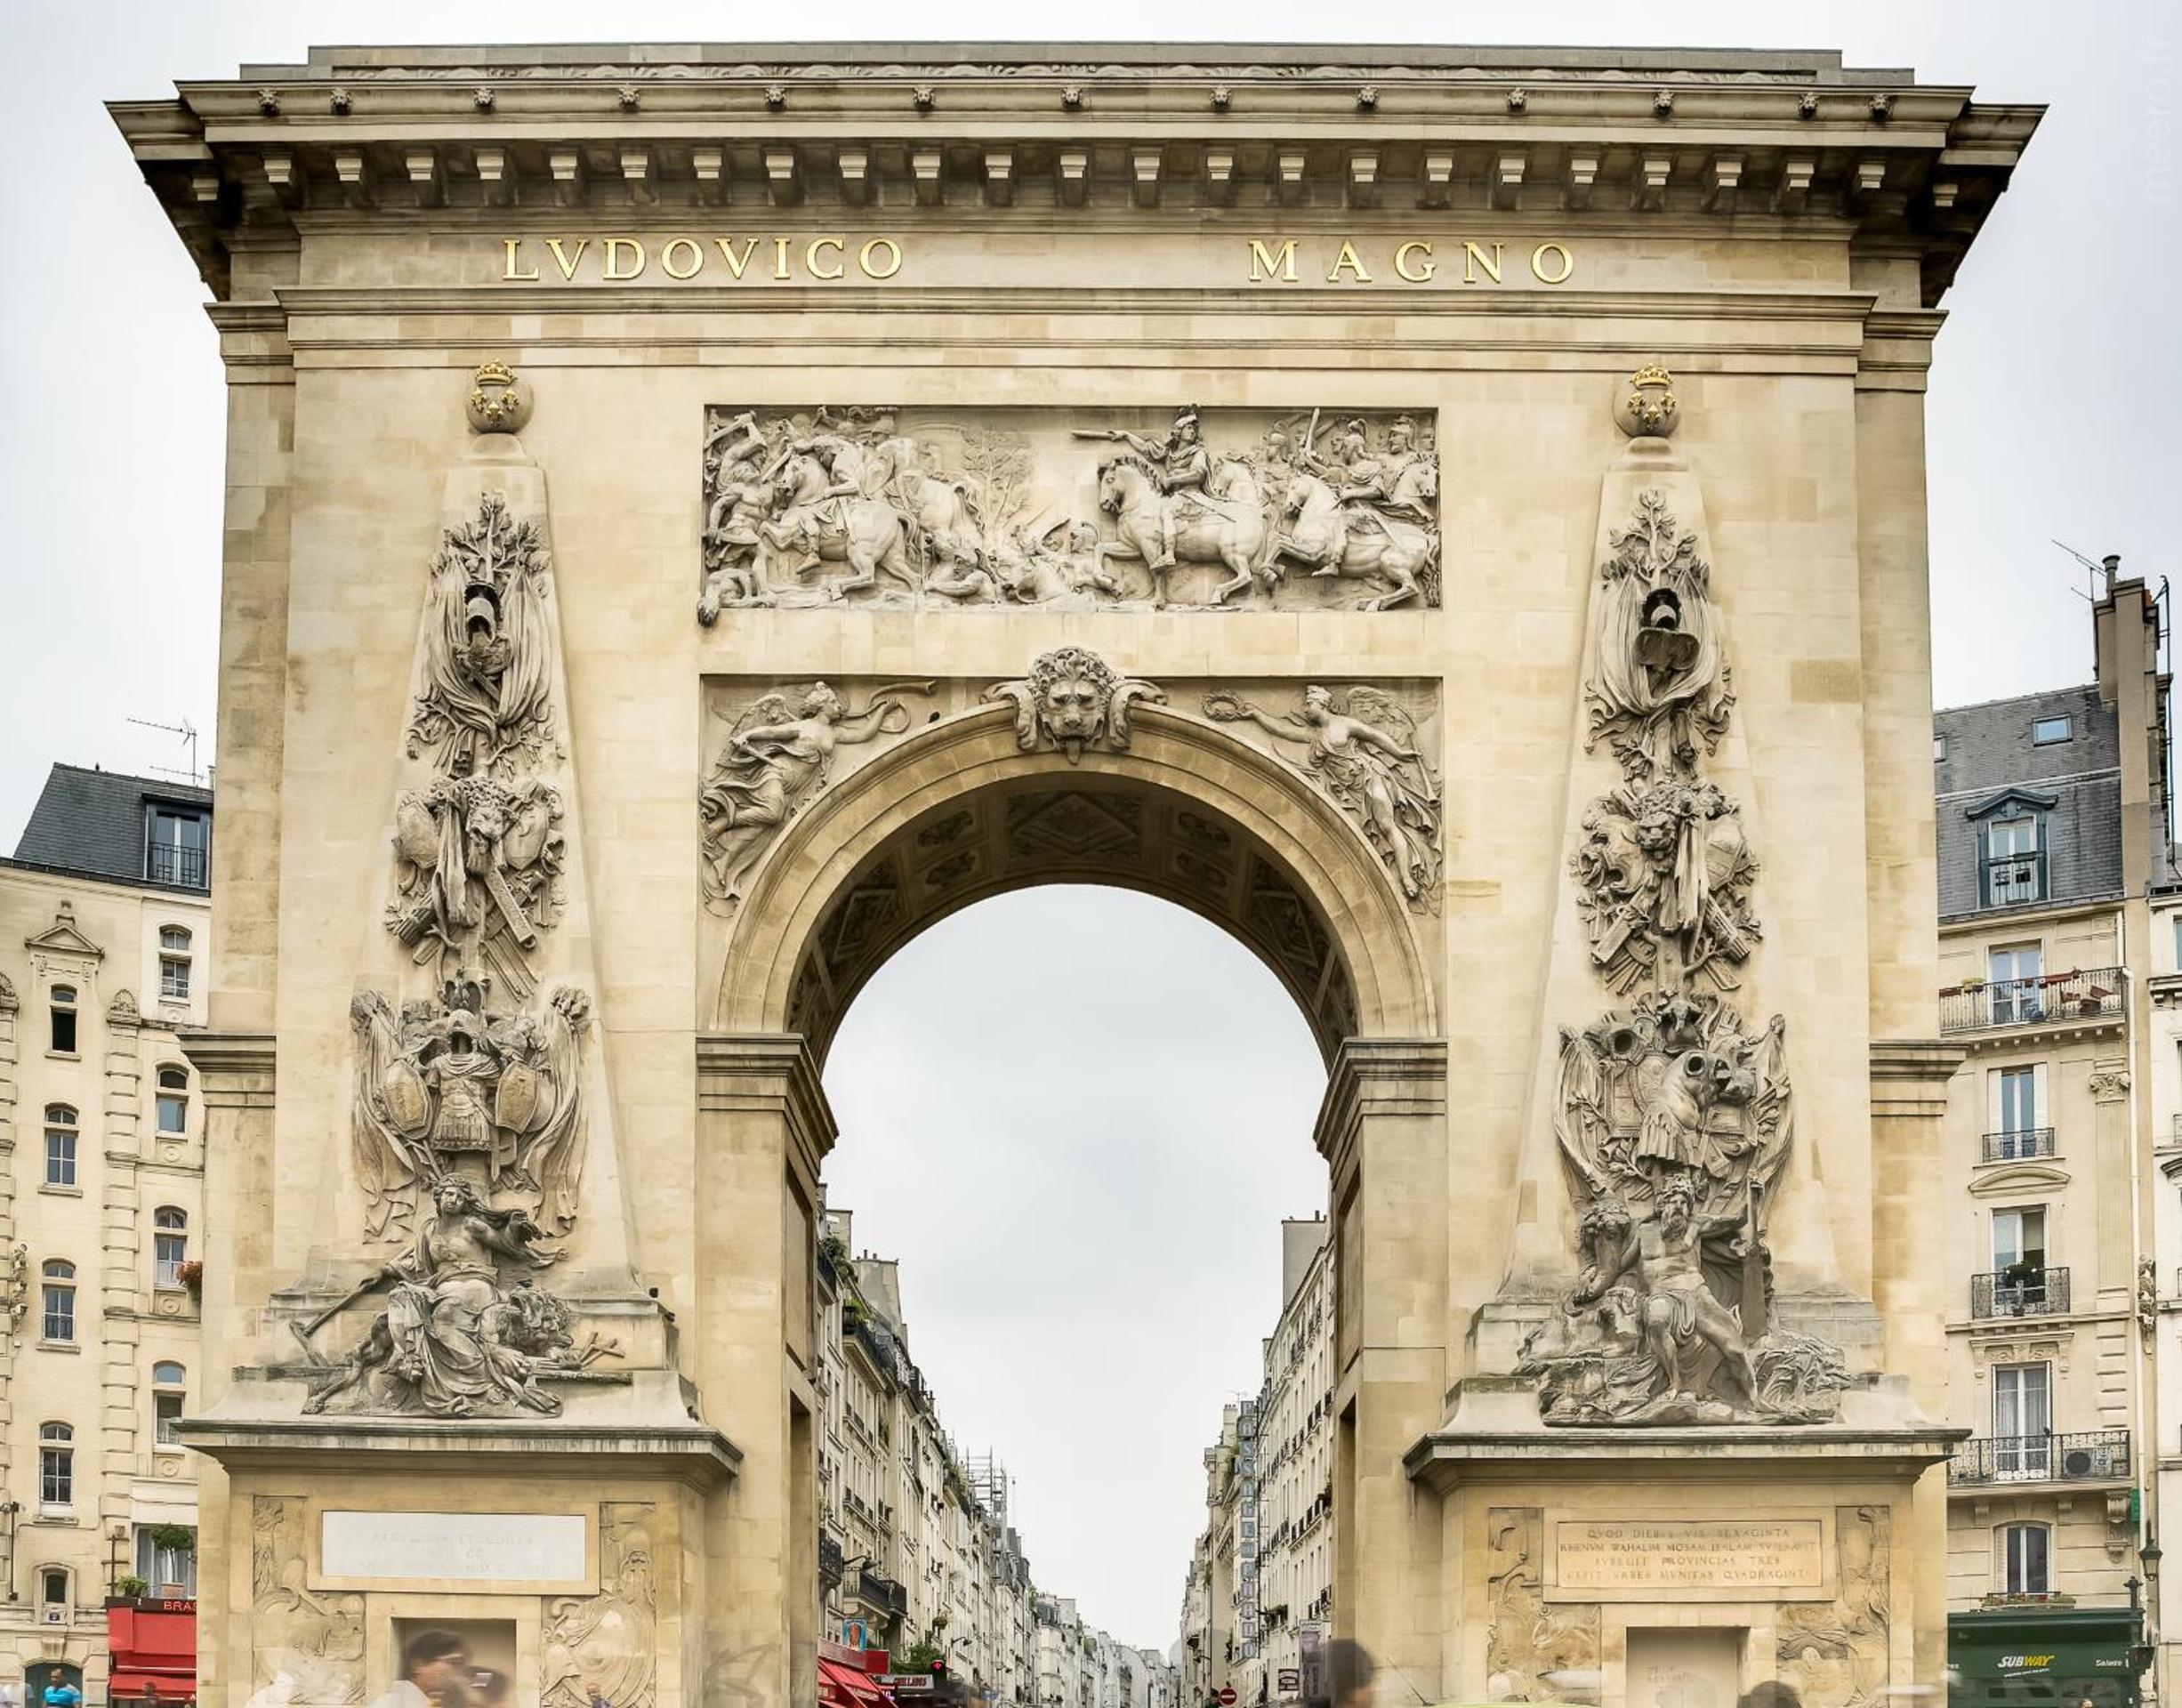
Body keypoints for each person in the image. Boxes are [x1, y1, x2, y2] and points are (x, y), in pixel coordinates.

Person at [374, 1630, 470, 1708]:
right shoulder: (389, 1705)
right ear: (418, 1665)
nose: (460, 1671)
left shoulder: (431, 1703)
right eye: (454, 1662)